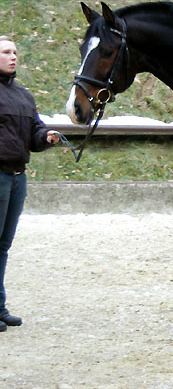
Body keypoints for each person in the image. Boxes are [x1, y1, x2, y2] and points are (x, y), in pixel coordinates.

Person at [0, 35, 60, 332]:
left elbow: (34, 133)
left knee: (3, 246)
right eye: (6, 52)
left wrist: (46, 137)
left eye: (15, 52)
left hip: (17, 178)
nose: (13, 57)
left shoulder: (23, 96)